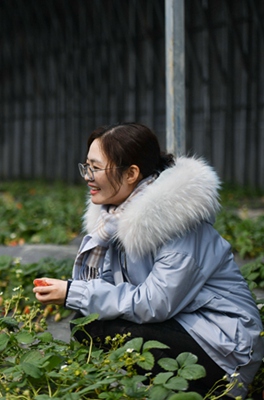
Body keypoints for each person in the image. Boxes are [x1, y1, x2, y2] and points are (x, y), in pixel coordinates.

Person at [33, 122, 264, 397]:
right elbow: (109, 286)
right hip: (185, 325)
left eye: (96, 168)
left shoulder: (178, 224)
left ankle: (205, 392)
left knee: (105, 328)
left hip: (226, 347)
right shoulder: (115, 218)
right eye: (86, 167)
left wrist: (75, 292)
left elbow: (155, 303)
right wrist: (77, 294)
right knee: (87, 322)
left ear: (131, 173)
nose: (88, 177)